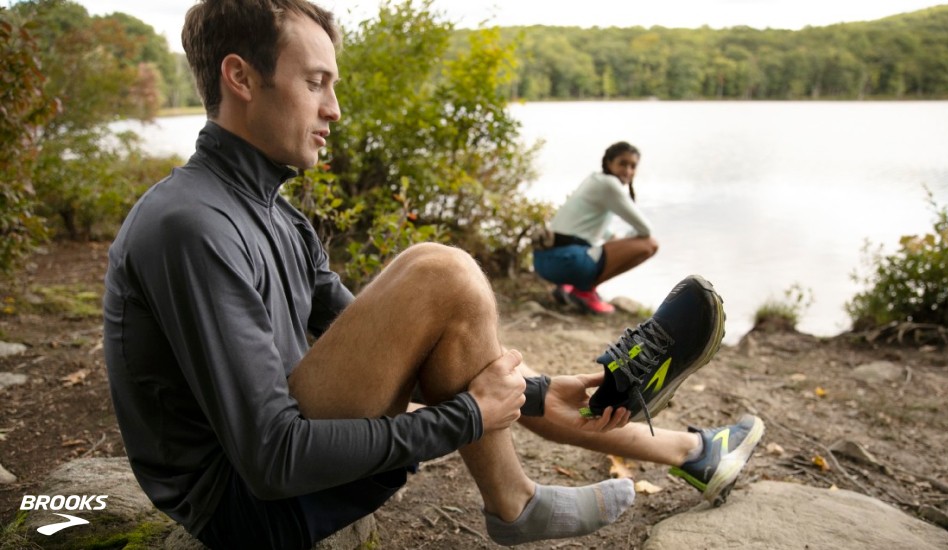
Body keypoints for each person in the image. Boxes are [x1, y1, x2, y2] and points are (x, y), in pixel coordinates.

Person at [102, 1, 763, 548]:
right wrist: (466, 419)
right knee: (439, 270)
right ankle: (525, 496)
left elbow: (406, 345)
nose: (334, 109)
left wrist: (533, 391)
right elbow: (271, 457)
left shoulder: (276, 217)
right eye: (315, 83)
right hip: (244, 505)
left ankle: (680, 451)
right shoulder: (190, 226)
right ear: (241, 78)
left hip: (275, 463)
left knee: (445, 301)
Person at [533, 141, 658, 314]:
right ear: (609, 163)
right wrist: (627, 240)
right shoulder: (609, 185)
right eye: (623, 163)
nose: (628, 171)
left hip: (544, 262)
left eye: (633, 166)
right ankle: (584, 291)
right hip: (566, 262)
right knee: (649, 245)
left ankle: (568, 287)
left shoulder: (595, 180)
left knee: (611, 242)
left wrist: (615, 239)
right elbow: (645, 230)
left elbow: (587, 225)